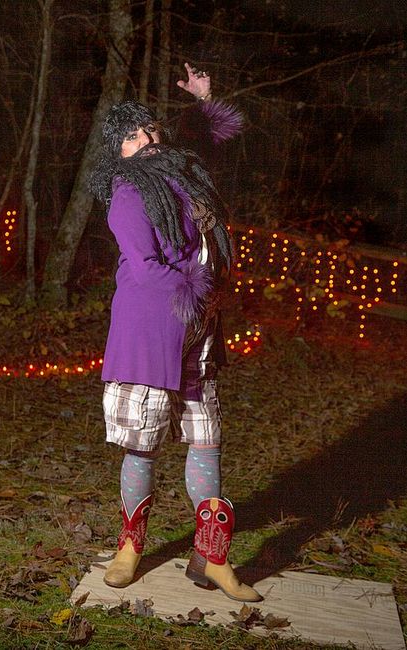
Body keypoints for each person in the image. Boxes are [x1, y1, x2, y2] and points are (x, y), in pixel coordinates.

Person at [89, 64, 261, 602]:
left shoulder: (186, 179)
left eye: (150, 130)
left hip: (198, 334)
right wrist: (198, 291)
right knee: (143, 446)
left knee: (206, 441)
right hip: (149, 333)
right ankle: (129, 547)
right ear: (118, 152)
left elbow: (212, 148)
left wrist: (206, 105)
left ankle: (212, 557)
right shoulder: (127, 191)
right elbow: (144, 268)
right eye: (131, 136)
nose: (146, 140)